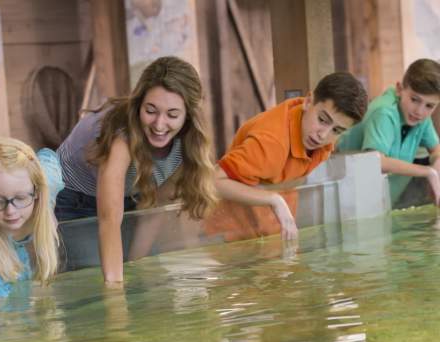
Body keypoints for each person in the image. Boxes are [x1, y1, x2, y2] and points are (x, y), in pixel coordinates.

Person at [55, 56, 217, 284]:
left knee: (145, 274)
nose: (159, 125)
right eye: (151, 111)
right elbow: (109, 220)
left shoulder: (187, 143)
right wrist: (115, 299)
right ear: (139, 103)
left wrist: (136, 268)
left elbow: (155, 203)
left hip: (131, 194)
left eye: (172, 115)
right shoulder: (121, 135)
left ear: (188, 115)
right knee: (92, 278)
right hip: (75, 199)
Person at [211, 72, 368, 240]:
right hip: (233, 235)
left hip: (275, 230)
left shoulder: (322, 140)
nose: (323, 135)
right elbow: (212, 181)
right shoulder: (271, 143)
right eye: (322, 120)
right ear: (308, 102)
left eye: (337, 130)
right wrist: (274, 199)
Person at [336, 58, 440, 206]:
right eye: (414, 100)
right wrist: (428, 172)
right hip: (350, 198)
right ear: (399, 89)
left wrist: (437, 163)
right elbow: (376, 161)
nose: (419, 111)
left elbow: (436, 149)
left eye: (429, 105)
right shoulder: (384, 112)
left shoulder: (422, 118)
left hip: (383, 201)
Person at [0, 137, 63, 301]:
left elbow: (49, 156)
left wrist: (46, 207)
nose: (11, 211)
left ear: (37, 190)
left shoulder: (44, 186)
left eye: (20, 198)